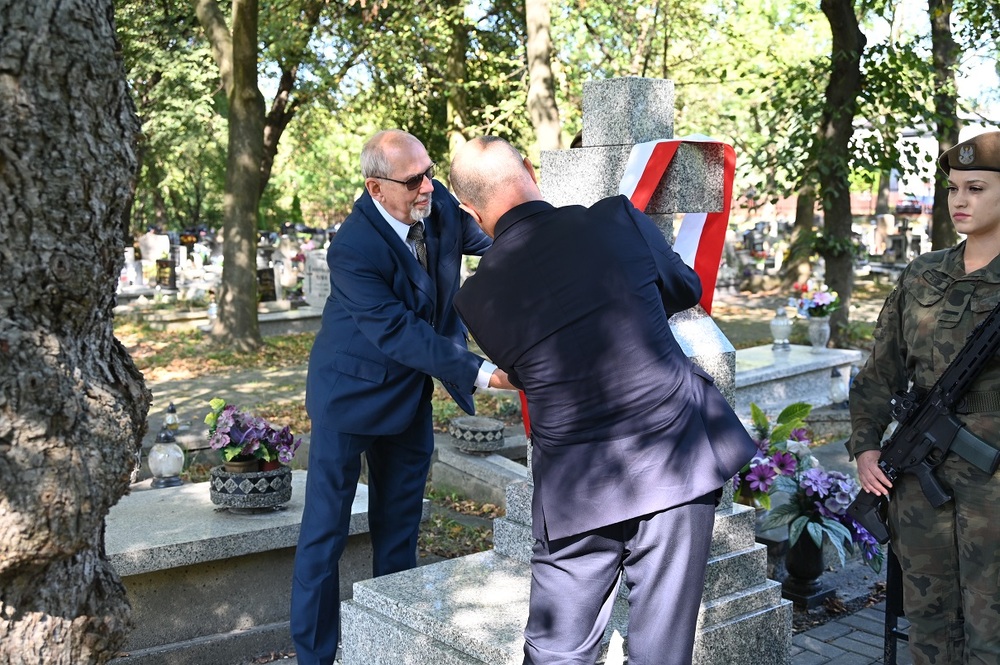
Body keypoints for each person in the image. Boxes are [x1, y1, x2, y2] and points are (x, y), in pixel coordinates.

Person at [449, 136, 757, 665]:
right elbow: (683, 287)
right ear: (529, 168)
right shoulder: (616, 221)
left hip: (577, 484)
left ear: (468, 211)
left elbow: (527, 370)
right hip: (674, 457)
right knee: (661, 649)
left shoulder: (476, 298)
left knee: (558, 651)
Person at [291, 129, 510, 665]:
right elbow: (396, 332)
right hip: (348, 398)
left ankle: (388, 647)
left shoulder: (440, 214)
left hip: (408, 398)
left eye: (429, 173)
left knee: (400, 531)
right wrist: (481, 372)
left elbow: (506, 236)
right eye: (413, 180)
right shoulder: (352, 248)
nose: (427, 187)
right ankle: (314, 657)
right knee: (325, 536)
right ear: (376, 188)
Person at [849, 131, 1000, 665]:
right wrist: (865, 447)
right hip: (918, 479)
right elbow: (878, 370)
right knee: (929, 620)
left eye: (976, 188)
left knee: (991, 623)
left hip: (993, 486)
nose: (960, 200)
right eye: (954, 188)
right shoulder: (921, 275)